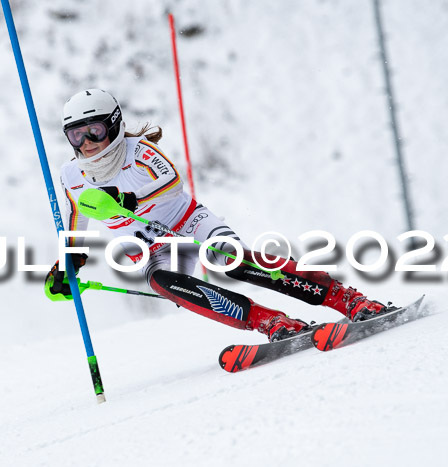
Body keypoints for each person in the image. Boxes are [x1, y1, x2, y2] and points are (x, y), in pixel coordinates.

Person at [45, 89, 393, 342]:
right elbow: (77, 216)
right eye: (77, 135)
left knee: (232, 261)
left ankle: (345, 298)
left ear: (115, 124)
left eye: (95, 130)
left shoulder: (139, 153)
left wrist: (125, 199)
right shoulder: (70, 175)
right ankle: (271, 322)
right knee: (164, 283)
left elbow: (172, 183)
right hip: (156, 250)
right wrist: (69, 261)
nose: (87, 142)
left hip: (190, 224)